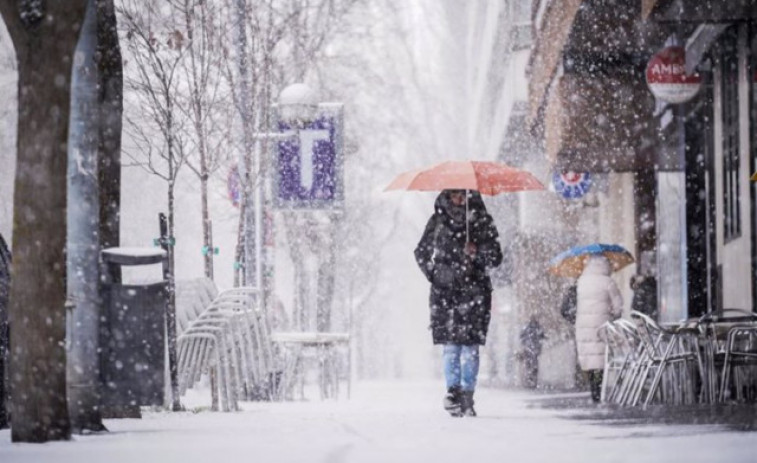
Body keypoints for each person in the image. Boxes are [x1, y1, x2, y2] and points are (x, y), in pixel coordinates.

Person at [414, 189, 503, 417]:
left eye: (462, 196)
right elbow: (421, 251)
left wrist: (477, 253)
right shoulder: (438, 221)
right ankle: (453, 392)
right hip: (446, 291)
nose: (458, 200)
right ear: (446, 196)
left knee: (471, 347)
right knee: (451, 346)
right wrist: (435, 273)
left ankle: (467, 395)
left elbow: (496, 256)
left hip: (475, 291)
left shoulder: (482, 221)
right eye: (454, 195)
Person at [575, 255, 622, 403]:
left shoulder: (582, 281)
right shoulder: (608, 282)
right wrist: (614, 314)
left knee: (589, 358)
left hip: (583, 325)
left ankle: (593, 390)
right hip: (601, 326)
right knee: (600, 359)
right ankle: (598, 390)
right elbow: (618, 306)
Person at [519, 316, 546, 389]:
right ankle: (531, 378)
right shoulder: (537, 327)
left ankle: (530, 378)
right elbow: (542, 336)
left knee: (530, 364)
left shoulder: (528, 327)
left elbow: (522, 336)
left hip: (530, 348)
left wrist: (524, 344)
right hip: (534, 349)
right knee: (533, 364)